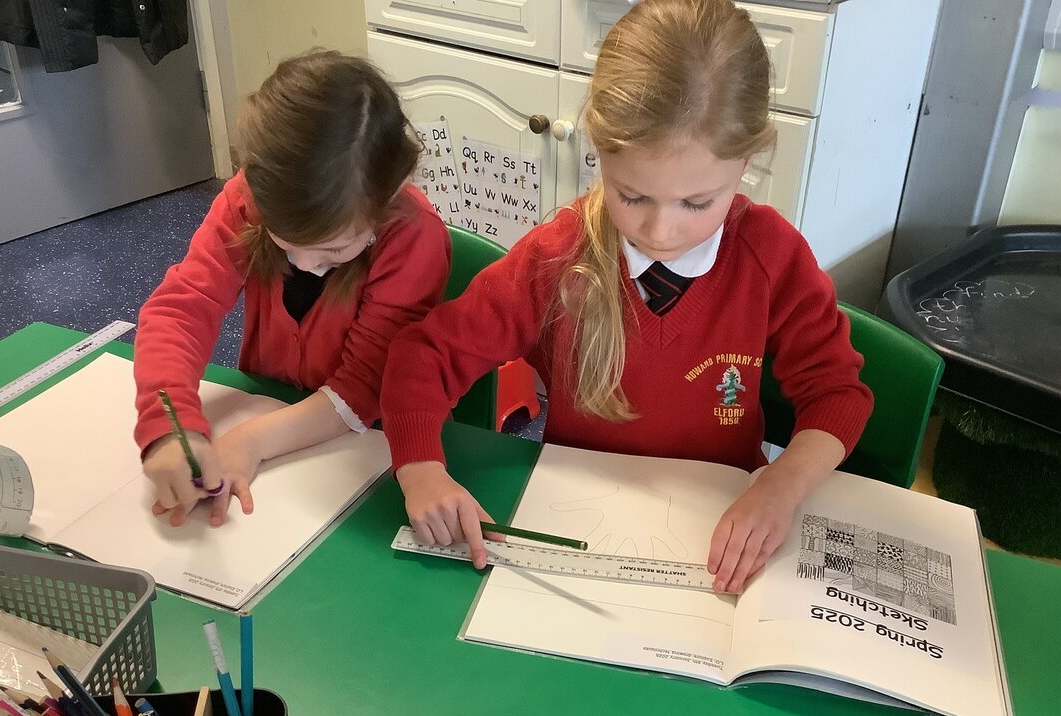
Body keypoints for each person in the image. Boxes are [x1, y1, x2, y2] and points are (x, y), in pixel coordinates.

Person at [380, 0, 873, 593]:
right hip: (578, 523)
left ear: (746, 161)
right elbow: (424, 356)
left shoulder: (771, 256)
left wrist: (782, 484)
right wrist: (419, 468)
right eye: (632, 195)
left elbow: (836, 393)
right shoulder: (557, 258)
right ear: (600, 151)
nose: (661, 231)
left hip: (721, 533)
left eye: (697, 202)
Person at [133, 50, 450, 527]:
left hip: (373, 452)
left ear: (385, 201)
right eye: (285, 241)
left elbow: (365, 386)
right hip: (272, 412)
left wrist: (252, 439)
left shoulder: (413, 238)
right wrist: (169, 427)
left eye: (334, 249)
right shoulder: (246, 199)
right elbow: (181, 312)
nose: (304, 265)